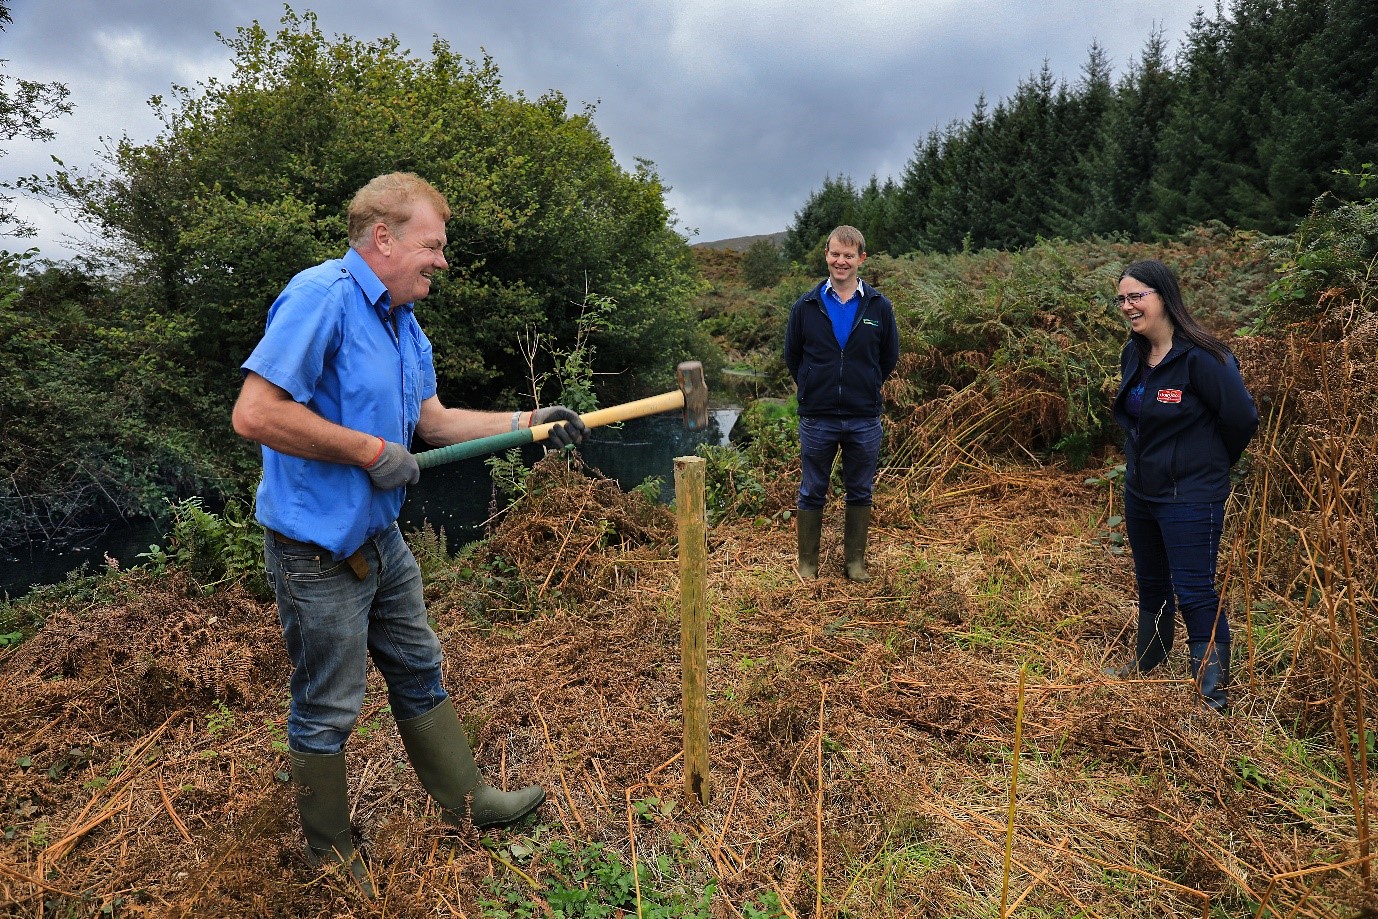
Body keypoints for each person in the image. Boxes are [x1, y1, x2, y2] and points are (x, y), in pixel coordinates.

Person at [231, 172, 587, 893]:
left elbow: (433, 420)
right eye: (434, 245)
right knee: (328, 702)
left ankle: (471, 801)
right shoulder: (321, 297)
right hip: (317, 550)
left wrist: (528, 422)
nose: (442, 262)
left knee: (420, 663)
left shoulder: (402, 319)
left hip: (381, 540)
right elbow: (255, 414)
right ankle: (330, 852)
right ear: (384, 237)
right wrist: (366, 449)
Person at [1107, 258, 1258, 712]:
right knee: (1151, 583)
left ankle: (1212, 695)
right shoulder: (1133, 353)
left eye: (1137, 296)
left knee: (1194, 589)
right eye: (1122, 299)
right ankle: (1149, 660)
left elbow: (1242, 419)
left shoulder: (1205, 358)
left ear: (1164, 297)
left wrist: (1208, 468)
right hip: (1142, 491)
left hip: (1190, 496)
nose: (1128, 306)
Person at [783, 225, 899, 582]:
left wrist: (862, 386)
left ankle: (855, 564)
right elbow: (793, 356)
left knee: (860, 489)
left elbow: (888, 358)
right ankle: (808, 564)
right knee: (812, 488)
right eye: (835, 254)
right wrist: (814, 388)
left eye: (849, 255)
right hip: (818, 417)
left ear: (861, 259)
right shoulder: (806, 306)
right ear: (826, 255)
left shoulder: (879, 307)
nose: (841, 261)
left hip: (863, 417)